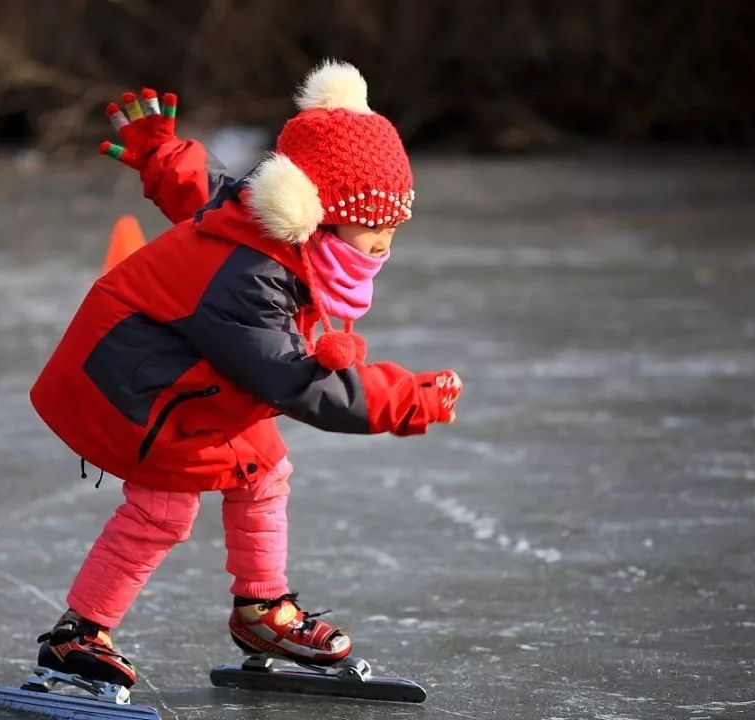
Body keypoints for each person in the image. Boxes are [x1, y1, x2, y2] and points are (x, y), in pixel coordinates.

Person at [29, 60, 463, 688]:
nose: (384, 240)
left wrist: (161, 154)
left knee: (262, 471)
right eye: (372, 223)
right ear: (318, 211)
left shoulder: (265, 220)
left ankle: (261, 609)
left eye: (395, 224)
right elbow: (291, 379)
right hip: (135, 390)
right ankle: (79, 636)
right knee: (164, 510)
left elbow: (201, 189)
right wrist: (402, 400)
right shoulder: (249, 279)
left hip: (189, 375)